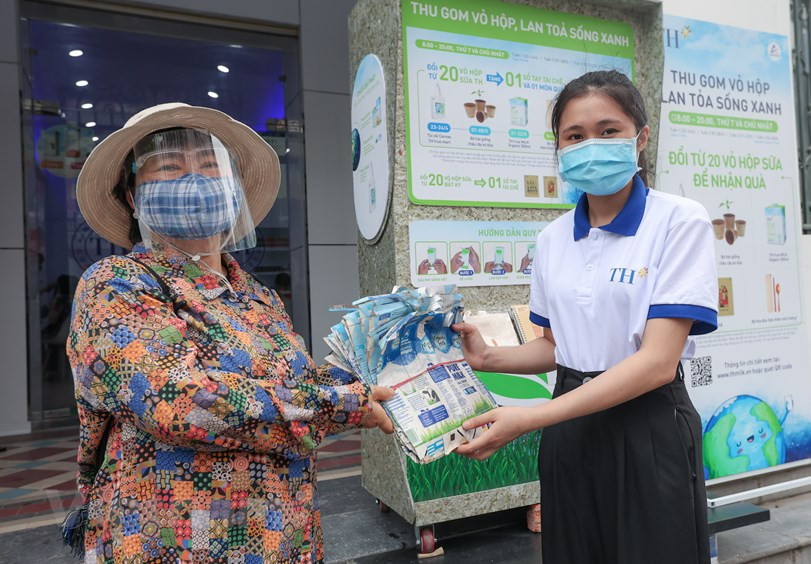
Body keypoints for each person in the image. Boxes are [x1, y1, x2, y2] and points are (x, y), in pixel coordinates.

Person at [68, 103, 394, 563]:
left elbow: (289, 386)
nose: (196, 181)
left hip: (283, 535)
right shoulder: (117, 283)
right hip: (176, 542)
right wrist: (342, 404)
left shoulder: (255, 294)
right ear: (131, 196)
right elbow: (179, 403)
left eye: (211, 166)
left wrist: (365, 386)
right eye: (170, 166)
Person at [452, 70, 717, 563]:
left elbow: (658, 362)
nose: (590, 144)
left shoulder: (679, 221)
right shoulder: (553, 239)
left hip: (648, 426)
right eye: (575, 136)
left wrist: (529, 419)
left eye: (608, 130)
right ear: (559, 148)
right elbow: (557, 348)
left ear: (641, 137)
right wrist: (486, 356)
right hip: (570, 431)